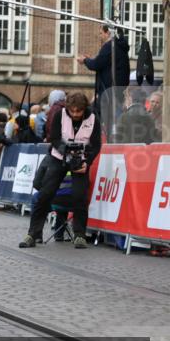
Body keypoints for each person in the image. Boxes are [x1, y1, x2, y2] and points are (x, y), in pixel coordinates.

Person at [20, 92, 101, 250]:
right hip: (58, 157)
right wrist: (66, 151)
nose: (75, 114)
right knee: (45, 194)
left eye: (79, 111)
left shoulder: (93, 118)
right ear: (68, 107)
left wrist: (87, 162)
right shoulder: (60, 114)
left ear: (84, 108)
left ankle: (79, 235)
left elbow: (96, 144)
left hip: (80, 160)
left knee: (80, 196)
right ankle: (33, 234)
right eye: (72, 111)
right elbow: (54, 138)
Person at [79, 25, 129, 121]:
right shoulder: (120, 46)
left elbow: (96, 65)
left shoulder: (109, 46)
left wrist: (85, 60)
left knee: (105, 119)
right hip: (118, 90)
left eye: (101, 33)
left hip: (108, 91)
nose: (100, 36)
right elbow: (103, 62)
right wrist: (90, 60)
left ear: (108, 33)